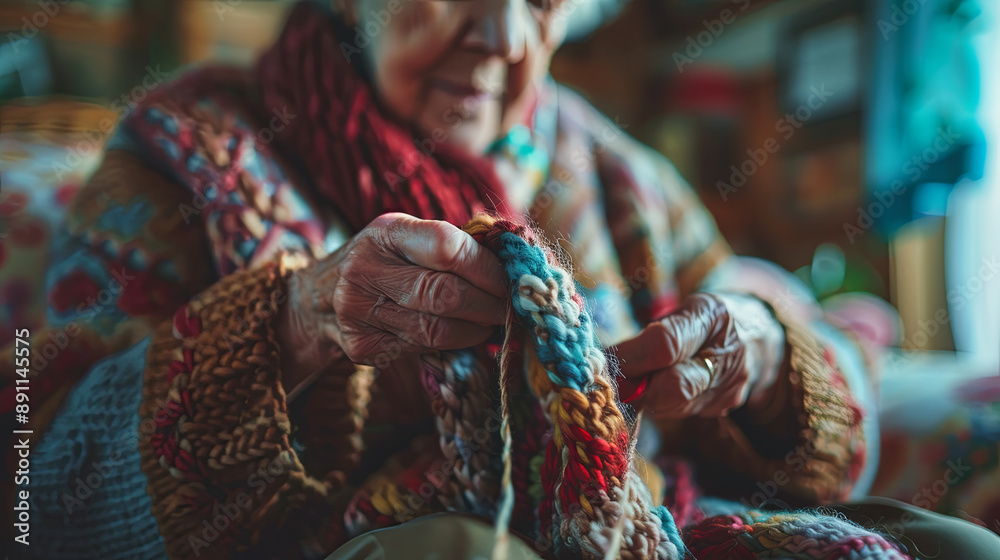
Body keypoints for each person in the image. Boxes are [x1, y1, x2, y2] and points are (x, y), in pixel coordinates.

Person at [3, 0, 999, 558]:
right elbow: (35, 489)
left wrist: (772, 355)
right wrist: (290, 324)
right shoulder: (190, 150)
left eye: (541, 2)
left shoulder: (617, 178)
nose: (502, 38)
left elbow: (815, 434)